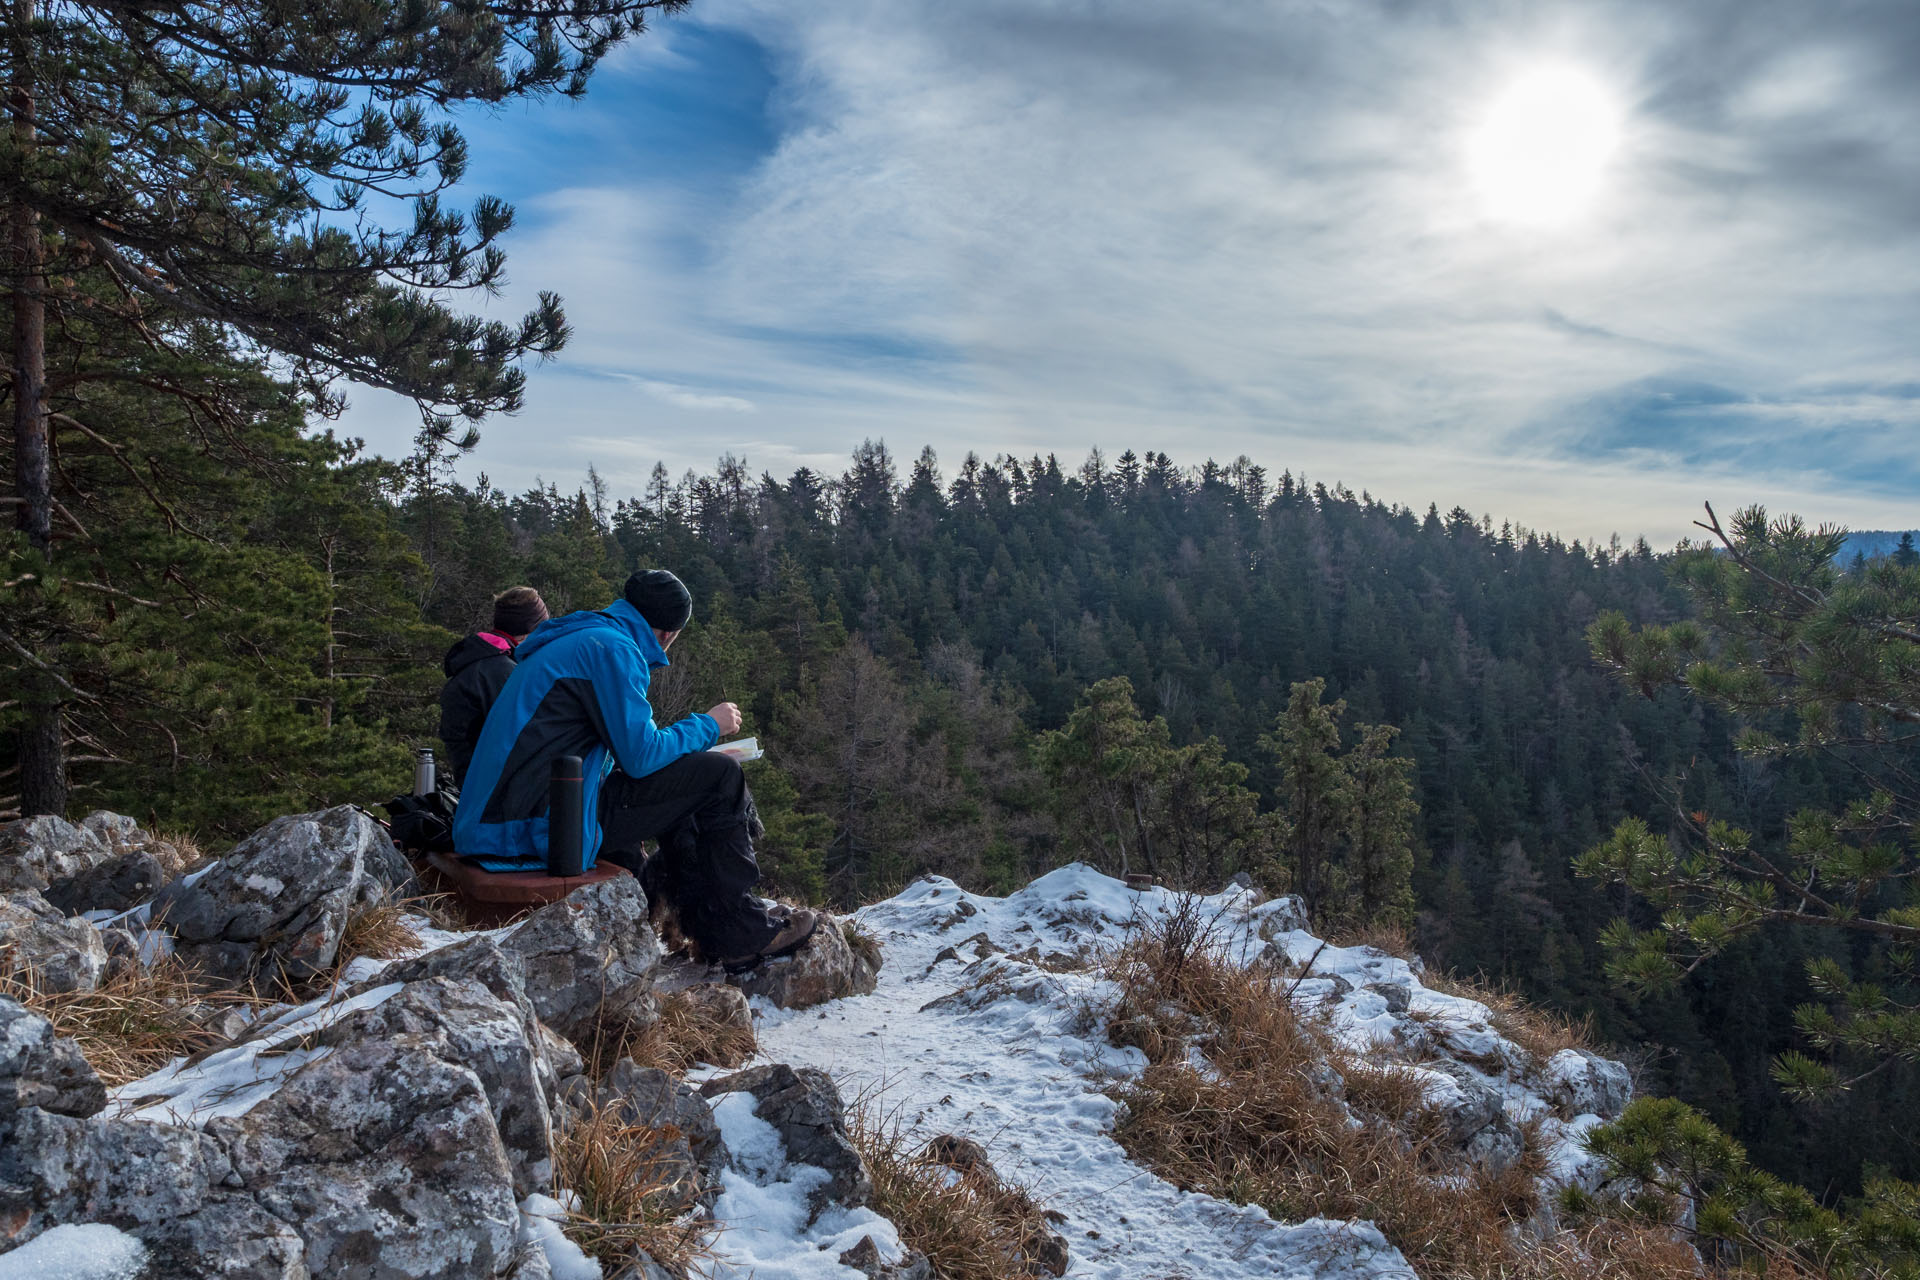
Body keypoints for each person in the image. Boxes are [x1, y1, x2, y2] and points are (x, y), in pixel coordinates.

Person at [453, 569, 817, 968]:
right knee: (720, 777)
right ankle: (739, 932)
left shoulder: (584, 638)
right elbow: (641, 758)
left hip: (513, 814)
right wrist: (710, 725)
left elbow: (626, 753)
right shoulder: (613, 650)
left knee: (691, 778)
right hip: (532, 825)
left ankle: (706, 924)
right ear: (668, 633)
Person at [437, 586, 550, 790]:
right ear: (530, 629)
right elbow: (526, 738)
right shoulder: (502, 672)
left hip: (471, 783)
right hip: (491, 793)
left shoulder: (477, 661)